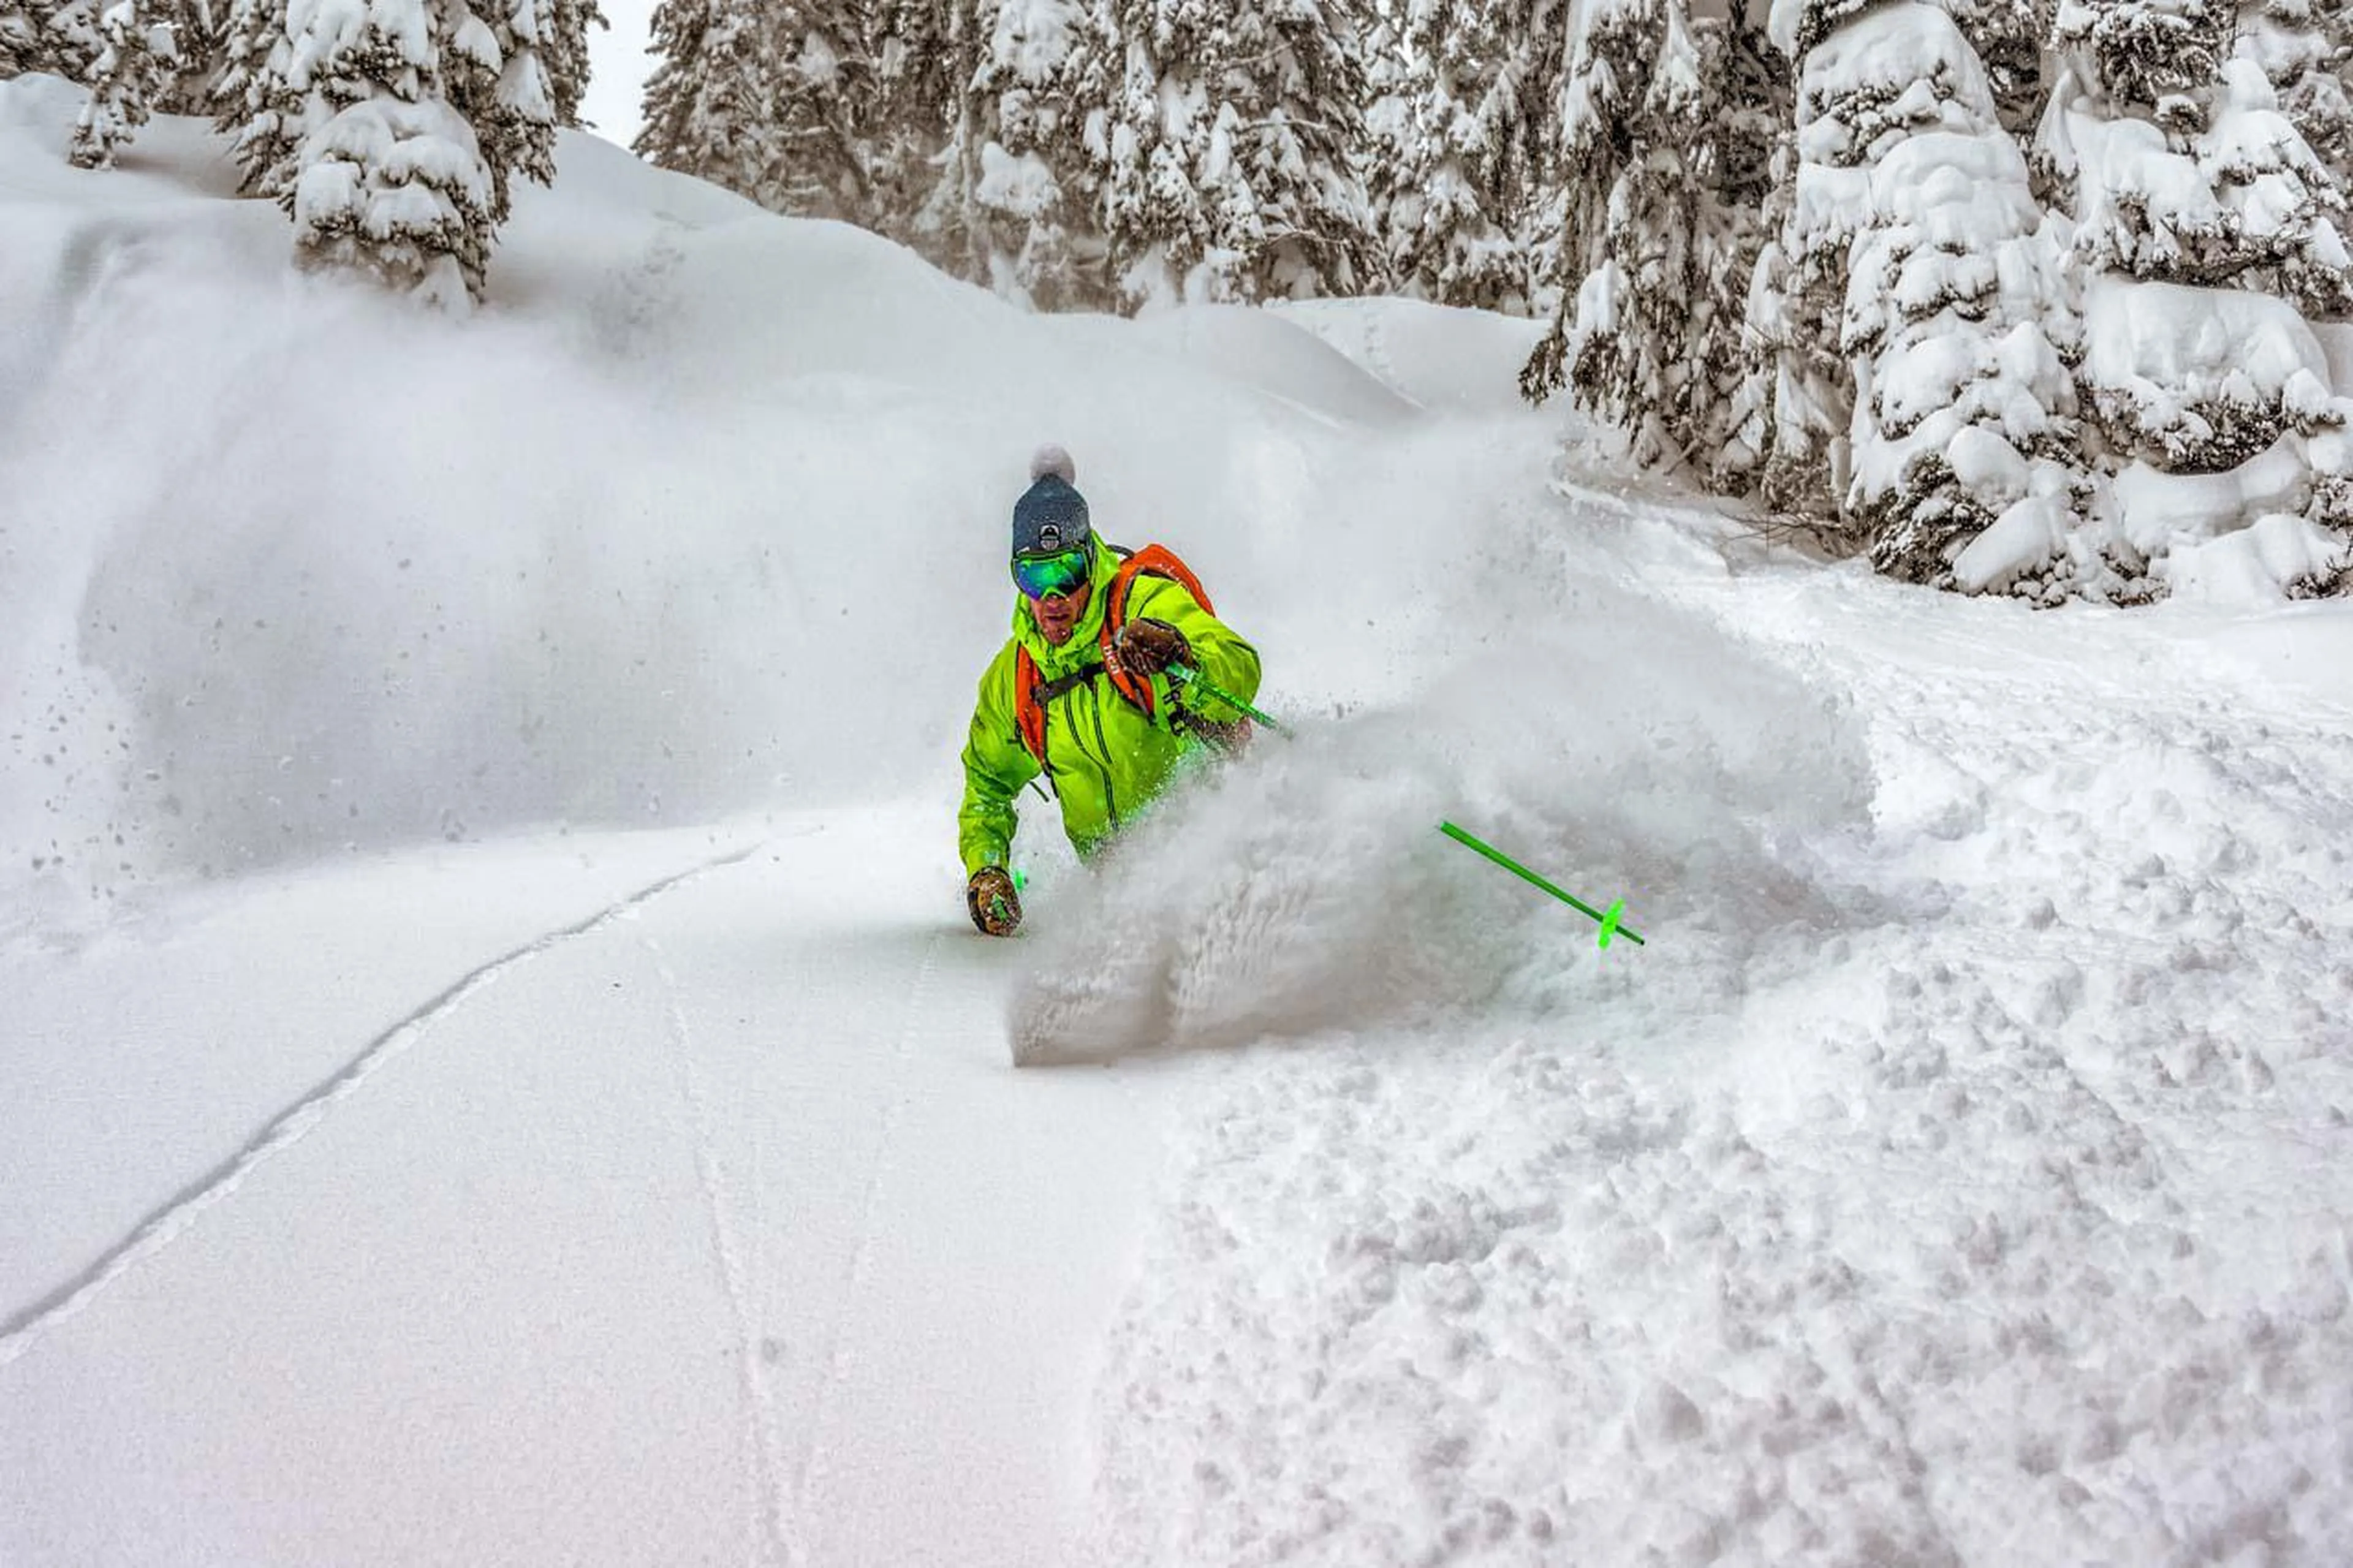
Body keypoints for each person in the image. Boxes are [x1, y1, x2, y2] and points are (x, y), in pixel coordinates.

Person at [958, 446, 1262, 936]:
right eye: (1034, 575)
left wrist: (1182, 653)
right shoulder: (1019, 678)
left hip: (1221, 857)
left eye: (1066, 573)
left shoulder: (1142, 603)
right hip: (1119, 900)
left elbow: (1239, 666)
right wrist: (987, 869)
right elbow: (987, 785)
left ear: (1089, 559)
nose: (1053, 599)